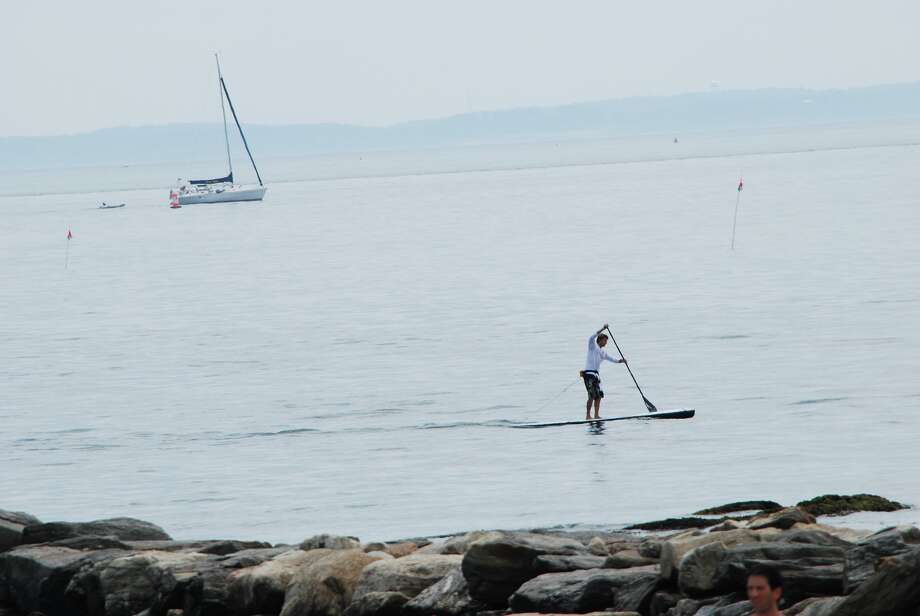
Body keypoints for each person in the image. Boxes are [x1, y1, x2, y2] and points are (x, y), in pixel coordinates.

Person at [582, 323, 626, 419]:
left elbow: (611, 358)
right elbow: (592, 336)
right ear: (600, 340)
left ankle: (596, 415)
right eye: (605, 341)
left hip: (596, 376)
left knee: (599, 395)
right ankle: (588, 415)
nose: (606, 343)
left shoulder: (602, 352)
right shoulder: (592, 345)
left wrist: (620, 361)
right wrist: (603, 328)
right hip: (589, 374)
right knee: (591, 395)